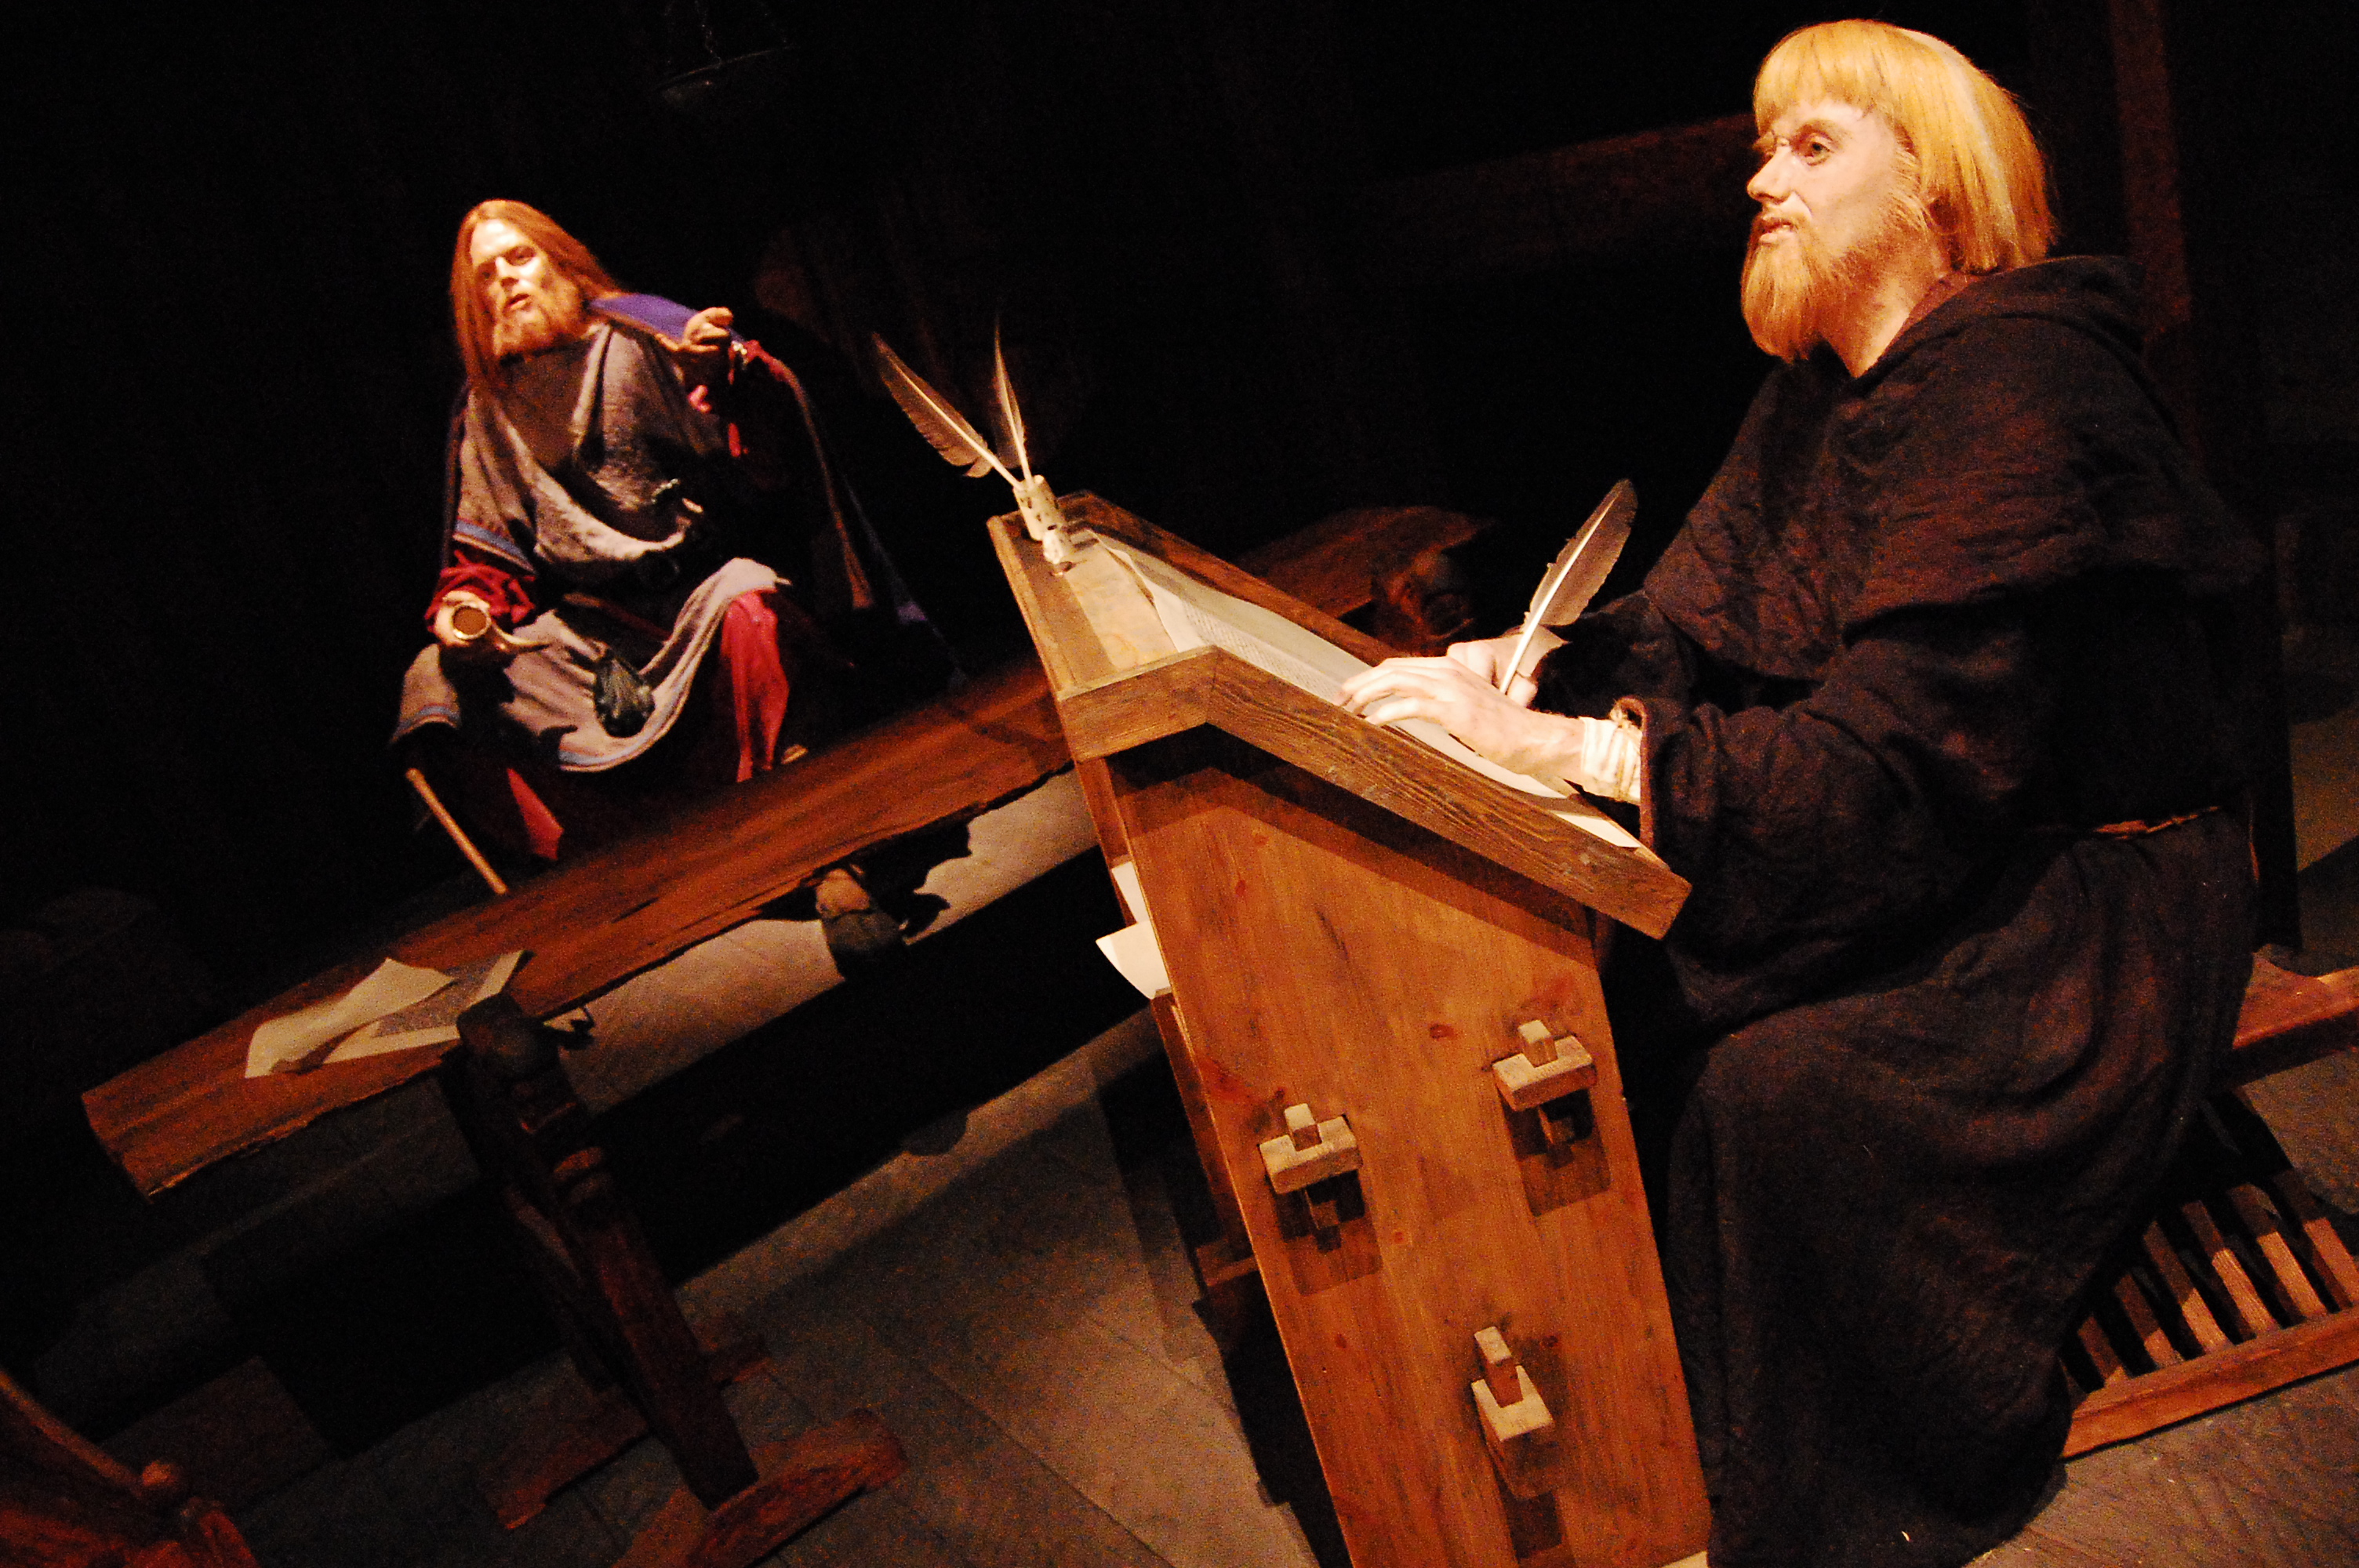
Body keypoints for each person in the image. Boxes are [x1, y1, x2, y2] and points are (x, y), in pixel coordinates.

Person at [1340, 21, 2262, 1567]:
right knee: (1632, 992)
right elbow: (1692, 624)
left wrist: (1572, 752)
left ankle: (1835, 1503)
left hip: (2097, 906)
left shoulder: (2021, 387)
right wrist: (1539, 666)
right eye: (1762, 149)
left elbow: (1901, 768)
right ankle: (1662, 1405)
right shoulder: (1825, 389)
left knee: (1775, 1094)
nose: (1761, 181)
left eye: (1812, 147)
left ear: (1935, 189)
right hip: (1955, 845)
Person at [394, 200, 911, 865]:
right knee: (433, 682)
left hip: (698, 598)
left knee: (749, 603)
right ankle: (611, 864)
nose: (506, 280)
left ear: (564, 265)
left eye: (520, 258)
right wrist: (465, 615)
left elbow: (768, 456)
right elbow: (485, 559)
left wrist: (726, 383)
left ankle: (805, 838)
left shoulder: (644, 339)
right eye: (486, 276)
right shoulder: (488, 408)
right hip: (593, 630)